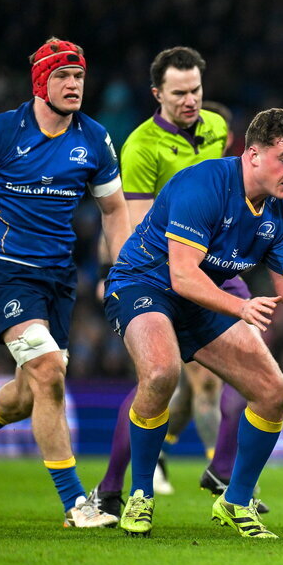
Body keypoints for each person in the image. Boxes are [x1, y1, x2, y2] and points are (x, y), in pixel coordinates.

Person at [0, 37, 130, 527]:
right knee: (49, 371)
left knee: (32, 392)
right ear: (40, 81)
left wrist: (122, 270)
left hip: (58, 278)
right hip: (4, 270)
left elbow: (113, 208)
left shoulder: (94, 138)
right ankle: (75, 504)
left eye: (80, 77)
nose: (73, 85)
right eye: (63, 76)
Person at [103, 108, 283, 539]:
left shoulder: (280, 217)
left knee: (275, 393)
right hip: (143, 284)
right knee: (162, 373)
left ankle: (235, 501)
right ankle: (140, 493)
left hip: (197, 300)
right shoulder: (203, 185)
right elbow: (182, 275)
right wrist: (239, 308)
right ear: (253, 154)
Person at [92, 47, 253, 518]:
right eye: (179, 92)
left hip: (218, 269)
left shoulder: (219, 129)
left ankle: (223, 472)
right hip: (162, 275)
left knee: (254, 374)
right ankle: (110, 486)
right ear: (156, 93)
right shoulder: (141, 147)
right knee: (158, 379)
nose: (190, 100)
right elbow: (137, 224)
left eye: (197, 90)